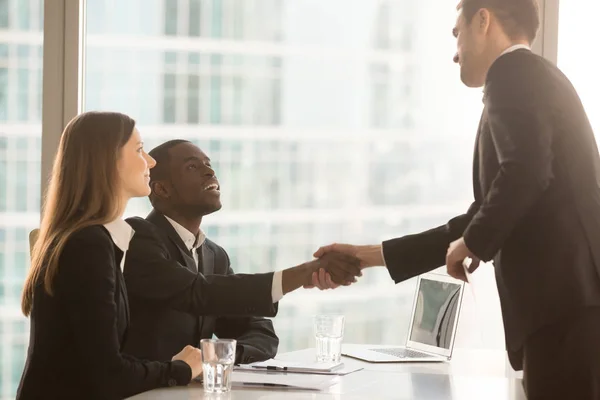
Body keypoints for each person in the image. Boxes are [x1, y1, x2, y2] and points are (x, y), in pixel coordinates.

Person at [313, 0, 600, 398]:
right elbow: (482, 215)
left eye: (456, 34)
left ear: (483, 20)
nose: (454, 52)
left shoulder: (512, 74)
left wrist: (476, 241)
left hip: (561, 309)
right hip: (569, 308)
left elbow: (525, 173)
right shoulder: (537, 78)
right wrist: (367, 255)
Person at [17, 112, 204, 400]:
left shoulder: (94, 239)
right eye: (139, 149)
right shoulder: (87, 245)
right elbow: (109, 375)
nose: (151, 162)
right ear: (108, 161)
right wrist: (179, 369)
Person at [122, 140, 362, 364]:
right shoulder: (137, 237)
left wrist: (217, 357)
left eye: (209, 164)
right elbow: (199, 292)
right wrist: (302, 273)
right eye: (192, 167)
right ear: (162, 189)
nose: (209, 172)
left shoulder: (214, 255)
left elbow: (260, 332)